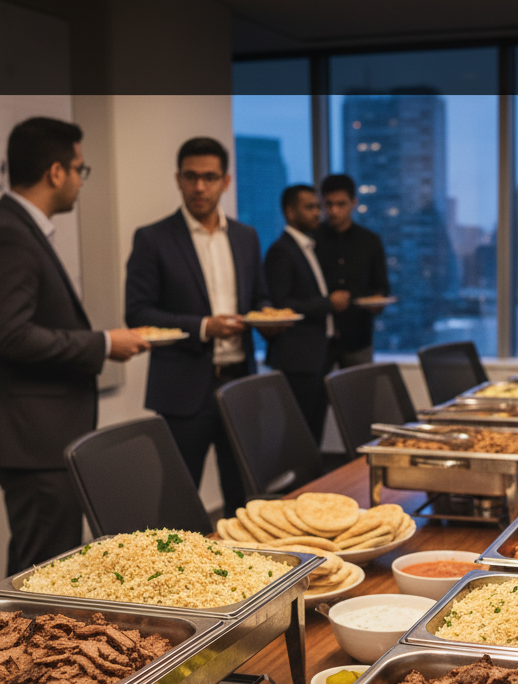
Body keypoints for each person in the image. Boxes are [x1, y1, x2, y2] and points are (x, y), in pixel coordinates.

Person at [0, 117, 148, 574]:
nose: (82, 181)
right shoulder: (8, 233)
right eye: (81, 169)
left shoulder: (16, 226)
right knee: (42, 568)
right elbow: (12, 336)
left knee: (48, 561)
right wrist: (102, 344)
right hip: (31, 437)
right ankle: (25, 645)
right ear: (56, 172)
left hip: (36, 432)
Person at [124, 137, 269, 518]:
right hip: (183, 389)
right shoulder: (153, 238)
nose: (200, 187)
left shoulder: (246, 237)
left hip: (239, 382)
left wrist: (269, 318)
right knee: (178, 500)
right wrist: (204, 326)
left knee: (245, 498)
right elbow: (137, 314)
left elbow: (261, 300)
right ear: (178, 179)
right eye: (191, 177)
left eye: (209, 177)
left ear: (226, 181)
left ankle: (248, 576)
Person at [263, 184, 350, 443]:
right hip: (296, 357)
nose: (318, 213)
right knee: (298, 435)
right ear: (290, 212)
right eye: (310, 207)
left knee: (313, 432)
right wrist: (328, 304)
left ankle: (312, 481)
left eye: (317, 207)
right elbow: (282, 305)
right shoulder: (282, 250)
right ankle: (299, 484)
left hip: (316, 353)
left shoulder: (307, 247)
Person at [314, 173, 391, 367]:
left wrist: (377, 302)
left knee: (359, 395)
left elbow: (381, 287)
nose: (334, 211)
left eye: (341, 204)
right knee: (316, 396)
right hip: (319, 339)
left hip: (359, 337)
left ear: (353, 203)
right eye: (328, 204)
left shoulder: (369, 241)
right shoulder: (312, 240)